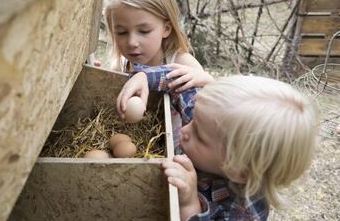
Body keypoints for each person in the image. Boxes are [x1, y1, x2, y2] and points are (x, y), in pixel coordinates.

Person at [117, 65, 319, 221]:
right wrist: (144, 77)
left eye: (199, 136)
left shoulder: (247, 211)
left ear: (238, 170)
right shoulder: (209, 120)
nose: (186, 129)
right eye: (193, 120)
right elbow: (178, 81)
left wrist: (190, 205)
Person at [104, 0, 214, 148]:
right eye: (122, 32)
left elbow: (212, 105)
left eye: (144, 30)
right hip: (138, 146)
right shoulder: (121, 65)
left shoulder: (181, 62)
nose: (132, 42)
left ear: (166, 29)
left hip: (176, 153)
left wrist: (208, 80)